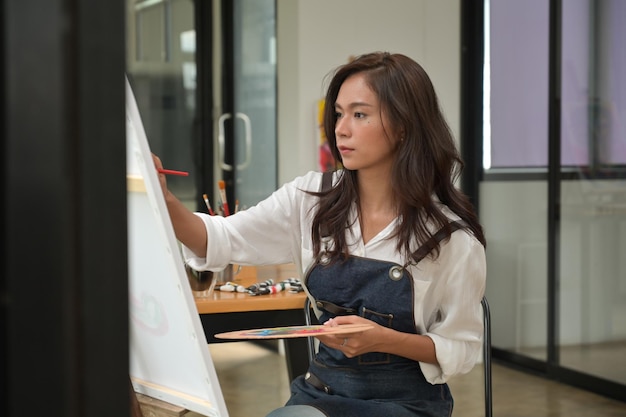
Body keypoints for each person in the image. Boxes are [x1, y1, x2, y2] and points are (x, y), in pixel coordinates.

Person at [154, 51, 486, 417]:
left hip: (403, 405)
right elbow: (216, 237)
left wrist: (385, 340)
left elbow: (461, 348)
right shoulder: (310, 199)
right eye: (339, 114)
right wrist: (164, 198)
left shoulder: (450, 238)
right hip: (320, 394)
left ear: (405, 125)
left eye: (359, 115)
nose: (341, 129)